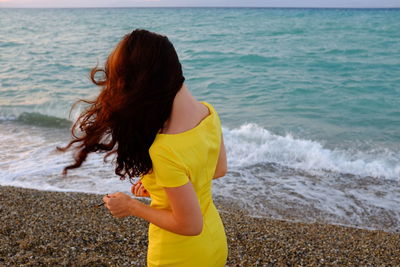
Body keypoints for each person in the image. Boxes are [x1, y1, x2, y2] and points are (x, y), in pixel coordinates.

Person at [60, 29, 228, 267]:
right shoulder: (209, 112)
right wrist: (164, 189)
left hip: (179, 255)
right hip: (214, 245)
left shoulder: (164, 149)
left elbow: (190, 225)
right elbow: (218, 169)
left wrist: (131, 206)